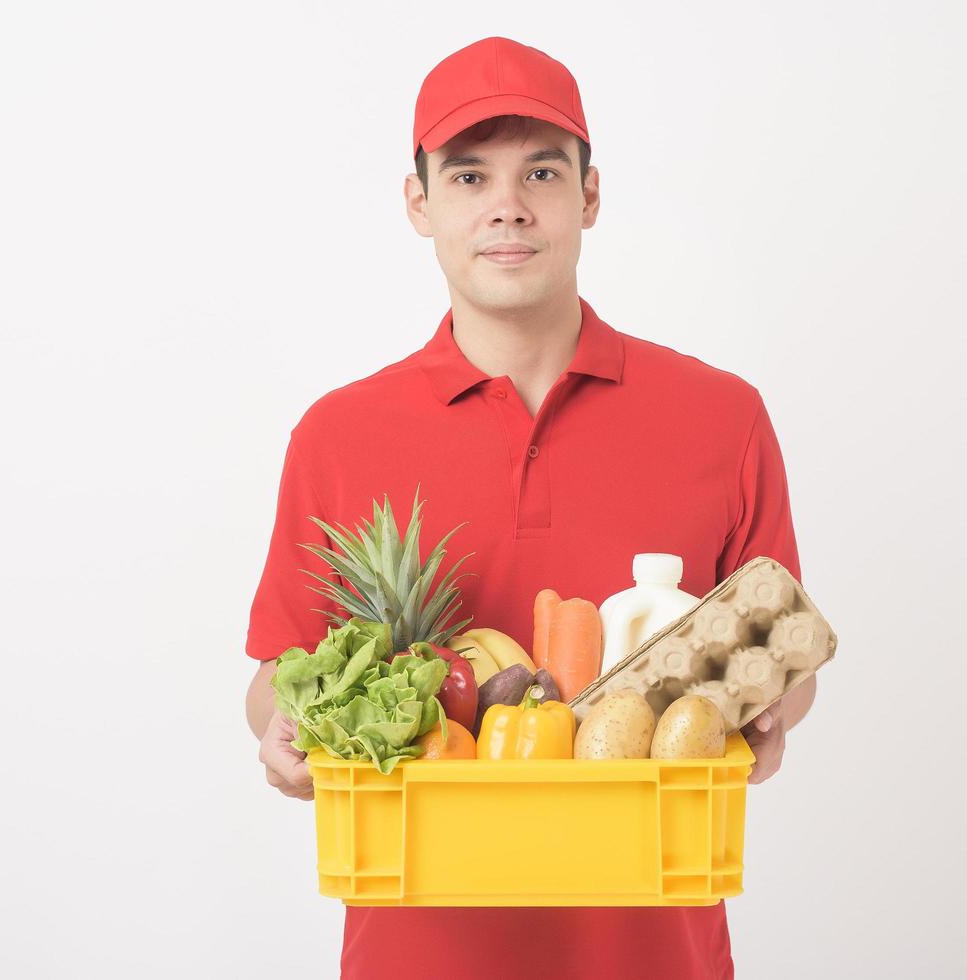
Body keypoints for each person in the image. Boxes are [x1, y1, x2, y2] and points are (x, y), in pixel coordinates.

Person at [241, 36, 818, 980]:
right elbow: (277, 671)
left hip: (654, 951)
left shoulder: (721, 417)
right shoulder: (337, 436)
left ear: (588, 196)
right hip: (414, 952)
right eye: (468, 176)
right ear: (418, 202)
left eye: (540, 171)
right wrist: (285, 730)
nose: (507, 205)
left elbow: (790, 663)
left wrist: (764, 707)